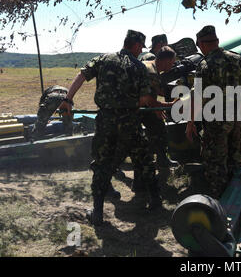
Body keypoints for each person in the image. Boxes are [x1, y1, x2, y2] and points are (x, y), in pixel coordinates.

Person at [59, 30, 171, 225]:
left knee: (102, 163)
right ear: (136, 46)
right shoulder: (139, 67)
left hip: (106, 121)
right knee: (144, 159)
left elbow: (81, 76)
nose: (140, 51)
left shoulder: (103, 59)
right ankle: (155, 201)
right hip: (131, 121)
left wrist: (68, 99)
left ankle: (98, 212)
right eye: (140, 48)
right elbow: (145, 99)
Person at [185, 25, 241, 198]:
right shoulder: (238, 59)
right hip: (237, 117)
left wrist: (190, 123)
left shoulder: (205, 65)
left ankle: (219, 199)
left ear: (201, 43)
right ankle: (237, 194)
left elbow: (198, 98)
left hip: (216, 120)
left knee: (216, 160)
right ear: (217, 41)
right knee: (235, 156)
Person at [131, 46, 180, 194]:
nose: (172, 66)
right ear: (166, 60)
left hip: (143, 106)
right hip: (133, 109)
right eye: (172, 62)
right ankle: (139, 182)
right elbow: (149, 100)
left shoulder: (152, 66)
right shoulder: (151, 71)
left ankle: (162, 158)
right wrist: (168, 105)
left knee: (158, 126)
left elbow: (154, 93)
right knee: (139, 146)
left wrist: (158, 108)